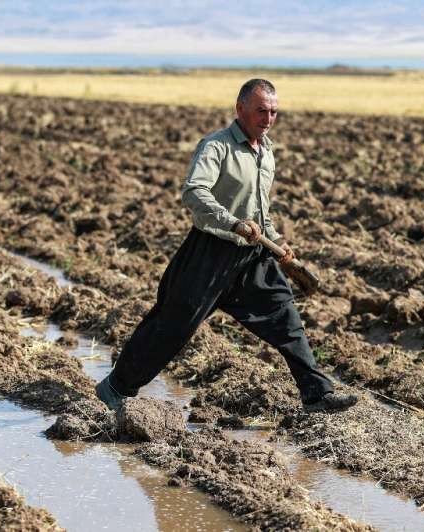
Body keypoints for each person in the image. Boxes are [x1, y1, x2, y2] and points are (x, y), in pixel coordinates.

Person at [96, 79, 358, 414]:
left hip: (252, 255)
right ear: (240, 109)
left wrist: (276, 240)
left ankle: (317, 394)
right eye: (261, 111)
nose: (268, 118)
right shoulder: (216, 147)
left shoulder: (267, 153)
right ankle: (116, 387)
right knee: (172, 326)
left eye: (274, 112)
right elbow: (194, 192)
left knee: (285, 317)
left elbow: (259, 209)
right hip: (209, 252)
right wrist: (231, 221)